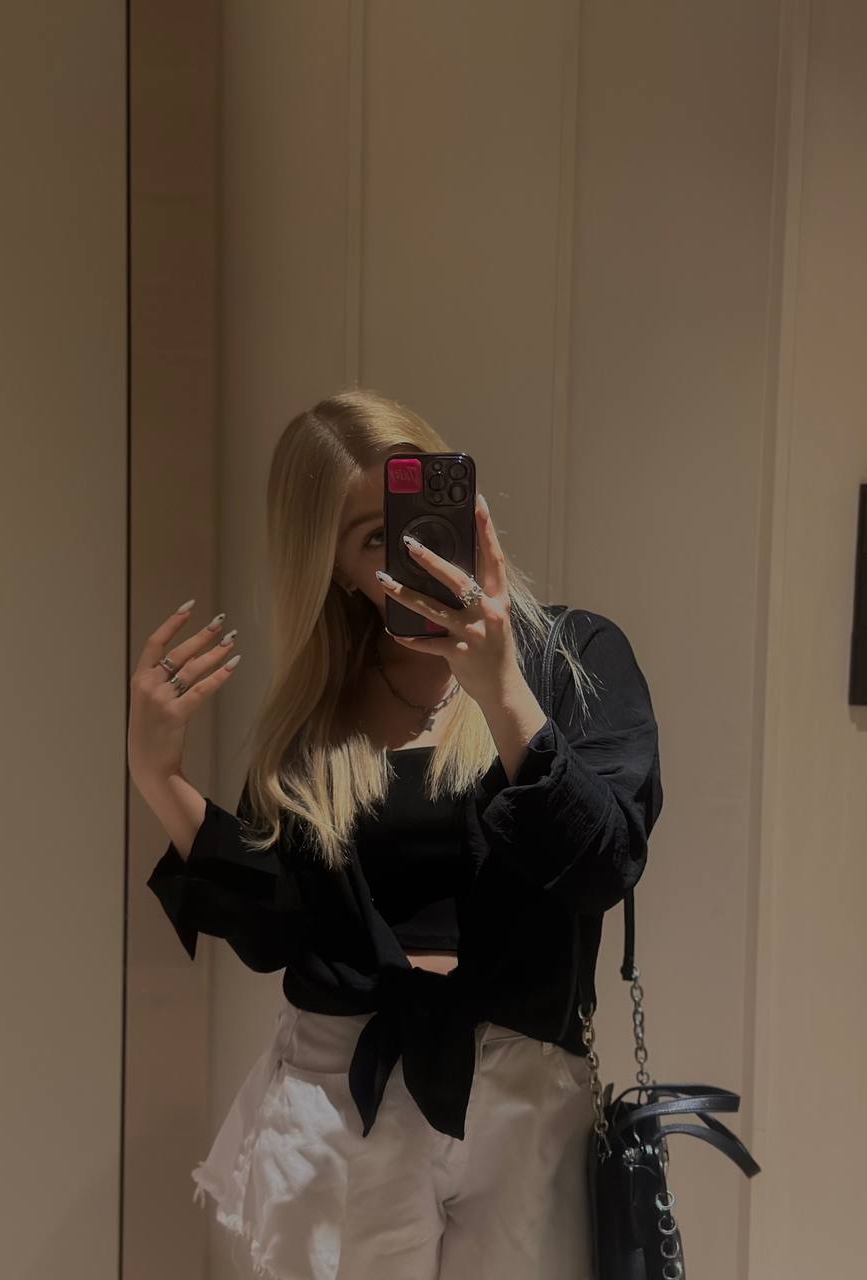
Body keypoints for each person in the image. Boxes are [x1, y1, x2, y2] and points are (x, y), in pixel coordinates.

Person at [128, 388, 664, 1280]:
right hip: (342, 1088)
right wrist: (161, 778)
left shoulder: (572, 662)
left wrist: (501, 691)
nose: (416, 551)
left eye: (422, 511)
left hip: (524, 1090)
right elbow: (276, 927)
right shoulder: (318, 715)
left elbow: (605, 863)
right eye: (376, 537)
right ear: (335, 567)